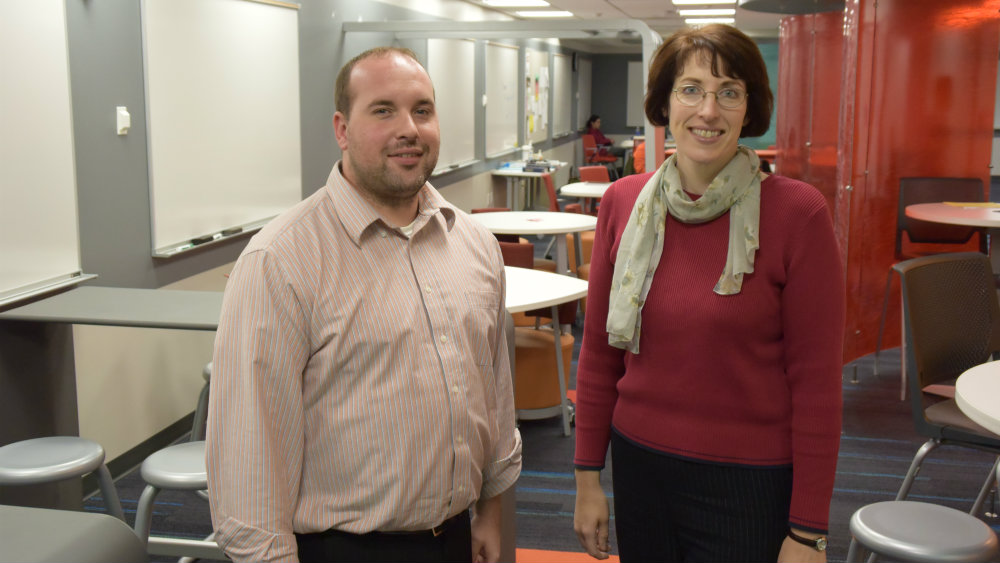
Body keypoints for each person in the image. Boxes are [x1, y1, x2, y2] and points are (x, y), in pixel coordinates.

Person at [206, 46, 521, 563]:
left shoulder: (474, 244)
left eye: (422, 110)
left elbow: (494, 394)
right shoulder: (280, 261)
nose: (410, 129)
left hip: (455, 537)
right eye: (383, 110)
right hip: (343, 548)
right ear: (342, 128)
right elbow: (250, 457)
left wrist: (491, 508)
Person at [572, 24, 844, 563]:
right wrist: (586, 478)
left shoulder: (798, 213)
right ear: (665, 101)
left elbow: (816, 385)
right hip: (639, 467)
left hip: (750, 481)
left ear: (750, 108)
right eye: (691, 88)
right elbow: (600, 355)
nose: (708, 110)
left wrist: (809, 530)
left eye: (729, 91)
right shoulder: (623, 204)